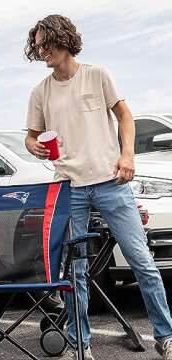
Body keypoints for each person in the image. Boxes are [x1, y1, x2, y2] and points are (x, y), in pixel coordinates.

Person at [24, 14, 172, 360]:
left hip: (111, 183)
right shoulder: (40, 92)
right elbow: (31, 136)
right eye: (38, 45)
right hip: (69, 189)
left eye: (46, 43)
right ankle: (80, 343)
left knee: (142, 262)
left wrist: (127, 155)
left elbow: (124, 115)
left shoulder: (98, 74)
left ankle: (165, 336)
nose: (41, 50)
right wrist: (34, 145)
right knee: (75, 271)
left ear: (63, 40)